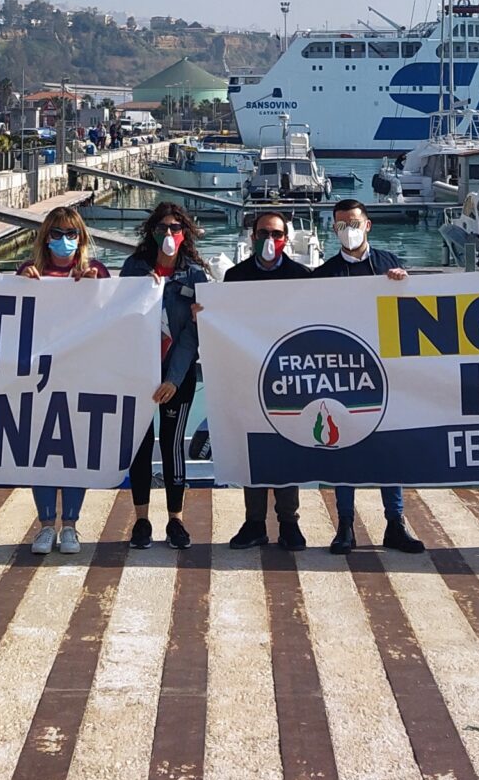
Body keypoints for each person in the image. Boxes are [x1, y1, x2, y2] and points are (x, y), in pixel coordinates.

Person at [315, 200, 423, 554]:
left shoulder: (389, 263)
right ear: (333, 230)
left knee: (388, 449)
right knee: (344, 448)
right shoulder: (324, 275)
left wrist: (403, 284)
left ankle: (395, 523)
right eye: (342, 224)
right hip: (343, 375)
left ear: (368, 225)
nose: (349, 230)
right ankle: (345, 525)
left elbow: (414, 310)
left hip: (387, 372)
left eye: (354, 222)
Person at [17, 205, 109, 554]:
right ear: (46, 237)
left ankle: (70, 525)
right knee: (41, 452)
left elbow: (119, 315)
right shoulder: (28, 271)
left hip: (80, 375)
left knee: (73, 452)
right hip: (36, 377)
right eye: (57, 233)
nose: (65, 240)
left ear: (81, 238)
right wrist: (17, 284)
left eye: (72, 234)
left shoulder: (95, 272)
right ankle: (44, 525)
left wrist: (97, 291)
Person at [225, 207, 314, 551]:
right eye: (264, 233)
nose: (270, 240)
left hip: (288, 377)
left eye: (277, 235)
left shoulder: (301, 276)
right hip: (248, 374)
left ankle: (289, 522)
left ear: (286, 240)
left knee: (286, 448)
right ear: (253, 237)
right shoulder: (235, 276)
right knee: (256, 451)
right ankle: (254, 522)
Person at [124, 201, 208, 548]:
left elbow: (192, 334)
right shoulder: (134, 268)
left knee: (173, 445)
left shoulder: (194, 274)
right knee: (140, 447)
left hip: (178, 375)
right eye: (163, 228)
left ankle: (176, 520)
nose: (169, 234)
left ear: (184, 233)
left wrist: (173, 378)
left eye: (175, 228)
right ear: (153, 232)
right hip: (139, 372)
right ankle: (141, 521)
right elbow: (118, 316)